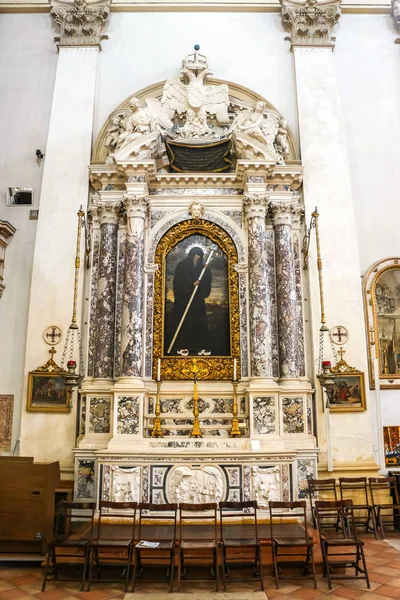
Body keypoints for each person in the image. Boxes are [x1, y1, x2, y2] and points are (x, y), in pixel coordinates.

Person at [170, 246, 212, 354]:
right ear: (191, 255)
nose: (197, 258)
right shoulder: (182, 266)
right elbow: (178, 282)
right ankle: (182, 346)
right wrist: (191, 284)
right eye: (196, 255)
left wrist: (206, 271)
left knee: (199, 323)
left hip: (197, 301)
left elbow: (206, 282)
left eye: (199, 256)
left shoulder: (202, 268)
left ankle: (201, 347)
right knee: (185, 323)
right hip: (183, 300)